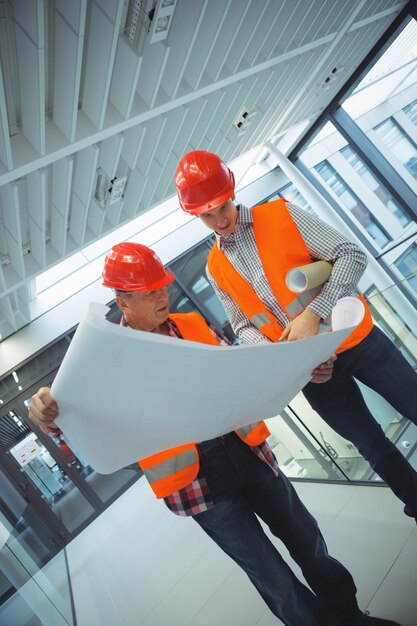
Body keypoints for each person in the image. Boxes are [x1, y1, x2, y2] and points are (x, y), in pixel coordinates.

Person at [28, 243, 400, 626]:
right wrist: (50, 417)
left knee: (308, 540)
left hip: (247, 453)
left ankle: (351, 617)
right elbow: (82, 434)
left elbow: (243, 373)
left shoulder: (191, 324)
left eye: (163, 287)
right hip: (198, 485)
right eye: (150, 292)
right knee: (272, 578)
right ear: (123, 303)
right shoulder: (110, 358)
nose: (163, 296)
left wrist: (301, 369)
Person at [174, 149, 417, 526]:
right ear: (195, 214)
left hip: (356, 341)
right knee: (372, 446)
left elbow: (351, 254)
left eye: (222, 207)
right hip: (312, 372)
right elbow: (242, 327)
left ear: (232, 192)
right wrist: (287, 360)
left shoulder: (280, 214)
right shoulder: (216, 268)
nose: (219, 220)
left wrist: (312, 315)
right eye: (207, 215)